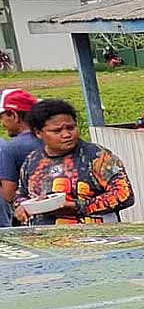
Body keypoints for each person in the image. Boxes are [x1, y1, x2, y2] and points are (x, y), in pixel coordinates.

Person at [14, 99, 134, 226]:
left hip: (95, 234)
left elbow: (124, 195)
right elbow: (20, 194)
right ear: (38, 133)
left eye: (71, 128)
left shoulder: (97, 157)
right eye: (57, 131)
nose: (66, 134)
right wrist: (22, 207)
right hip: (45, 235)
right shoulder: (32, 161)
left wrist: (77, 206)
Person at [0, 89, 41, 227]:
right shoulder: (50, 139)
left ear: (14, 115)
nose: (2, 123)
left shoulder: (10, 148)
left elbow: (8, 194)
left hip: (28, 217)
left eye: (2, 118)